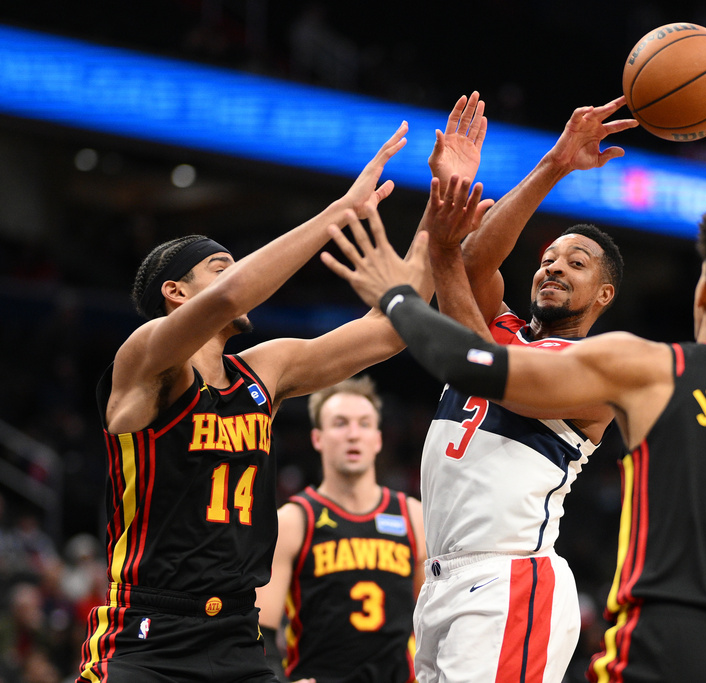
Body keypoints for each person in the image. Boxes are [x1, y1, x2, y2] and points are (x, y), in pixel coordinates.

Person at [321, 189, 706, 683]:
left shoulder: (653, 369)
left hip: (657, 644)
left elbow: (473, 363)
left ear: (703, 293)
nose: (554, 268)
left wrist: (397, 292)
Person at [76, 122, 430, 683]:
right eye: (221, 264)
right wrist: (340, 211)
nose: (237, 273)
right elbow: (233, 294)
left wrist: (440, 213)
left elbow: (389, 332)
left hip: (237, 636)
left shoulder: (263, 371)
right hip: (146, 635)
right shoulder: (146, 358)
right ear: (177, 292)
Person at [399, 94, 637, 683]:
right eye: (549, 258)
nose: (554, 267)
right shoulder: (501, 328)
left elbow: (484, 365)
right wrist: (555, 163)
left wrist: (443, 248)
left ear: (604, 296)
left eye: (576, 264)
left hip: (510, 579)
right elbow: (475, 263)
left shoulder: (597, 369)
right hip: (441, 582)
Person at [255, 376, 426, 683]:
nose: (352, 435)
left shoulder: (413, 516)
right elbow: (260, 629)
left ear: (378, 438)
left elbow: (433, 619)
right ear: (317, 438)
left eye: (364, 424)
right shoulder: (294, 521)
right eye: (340, 423)